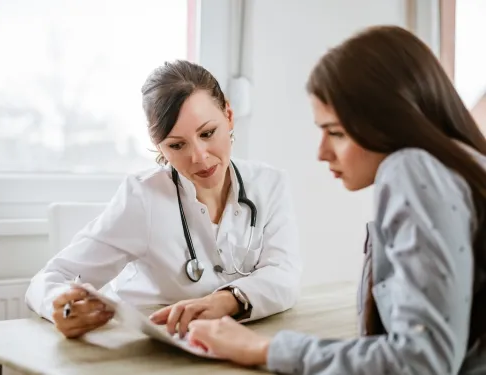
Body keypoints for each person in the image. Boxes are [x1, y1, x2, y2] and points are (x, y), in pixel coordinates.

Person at [187, 26, 486, 374]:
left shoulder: (410, 169)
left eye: (336, 132)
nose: (322, 152)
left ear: (394, 121)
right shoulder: (466, 165)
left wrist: (265, 349)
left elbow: (421, 361)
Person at [25, 60, 302, 339]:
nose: (199, 157)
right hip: (147, 348)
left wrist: (227, 300)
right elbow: (48, 279)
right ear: (158, 144)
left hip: (229, 345)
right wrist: (61, 307)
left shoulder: (270, 184)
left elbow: (284, 275)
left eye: (207, 133)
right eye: (176, 145)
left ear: (228, 115)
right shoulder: (142, 197)